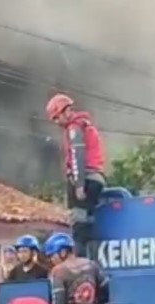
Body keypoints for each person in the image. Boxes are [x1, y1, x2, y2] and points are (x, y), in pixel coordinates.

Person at [46, 93, 106, 257]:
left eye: (56, 118)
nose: (57, 123)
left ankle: (80, 265)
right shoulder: (85, 125)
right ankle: (91, 260)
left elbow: (77, 154)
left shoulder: (74, 128)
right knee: (87, 224)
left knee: (78, 226)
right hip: (96, 178)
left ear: (64, 111)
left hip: (85, 178)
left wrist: (79, 184)